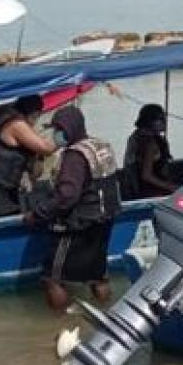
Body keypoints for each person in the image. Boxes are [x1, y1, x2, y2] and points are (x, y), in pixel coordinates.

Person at [26, 107, 120, 312]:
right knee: (98, 277)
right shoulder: (101, 145)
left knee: (53, 279)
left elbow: (67, 196)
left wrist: (38, 213)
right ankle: (108, 316)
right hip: (105, 220)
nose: (56, 134)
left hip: (79, 225)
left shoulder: (75, 156)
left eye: (58, 129)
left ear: (69, 128)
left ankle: (59, 326)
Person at [0, 94, 57, 217]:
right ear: (35, 114)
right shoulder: (16, 123)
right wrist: (64, 136)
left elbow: (35, 171)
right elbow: (46, 148)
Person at [124, 104, 179, 199]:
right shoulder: (150, 144)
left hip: (135, 190)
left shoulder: (134, 137)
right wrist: (171, 187)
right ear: (150, 122)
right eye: (161, 119)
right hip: (151, 192)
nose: (165, 122)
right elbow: (146, 175)